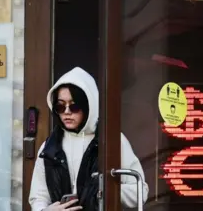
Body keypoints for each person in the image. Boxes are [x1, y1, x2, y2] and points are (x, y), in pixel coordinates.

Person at [29, 67, 148, 211]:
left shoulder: (112, 141)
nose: (66, 112)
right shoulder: (49, 148)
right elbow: (38, 196)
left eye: (74, 106)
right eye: (60, 106)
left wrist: (106, 191)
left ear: (88, 106)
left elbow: (140, 191)